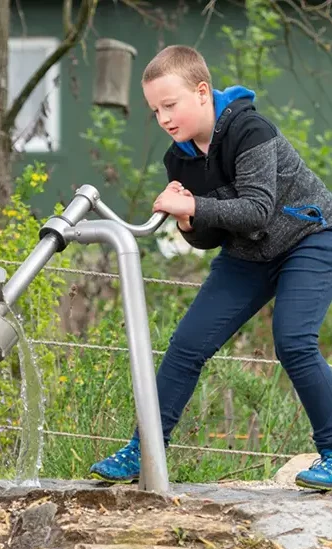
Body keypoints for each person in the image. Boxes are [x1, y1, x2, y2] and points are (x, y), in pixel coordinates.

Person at [89, 45, 332, 491]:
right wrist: (187, 220)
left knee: (293, 340)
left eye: (170, 104)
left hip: (309, 238)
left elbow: (258, 210)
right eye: (155, 110)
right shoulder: (177, 158)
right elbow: (209, 237)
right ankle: (145, 451)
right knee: (185, 345)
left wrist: (194, 203)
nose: (163, 118)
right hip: (248, 255)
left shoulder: (249, 130)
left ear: (202, 92)